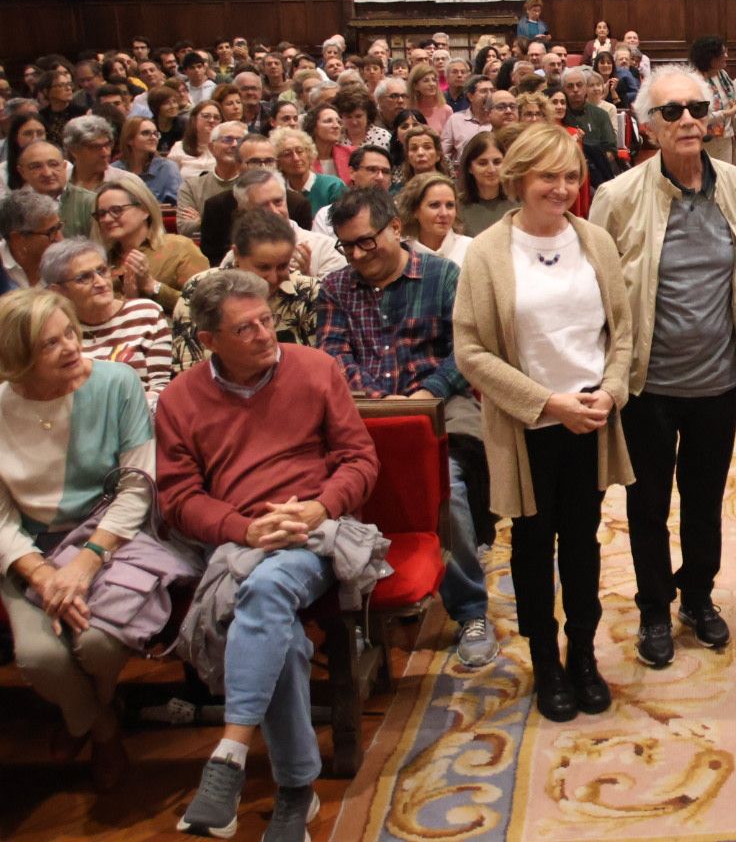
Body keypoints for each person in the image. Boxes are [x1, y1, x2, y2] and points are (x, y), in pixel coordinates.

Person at [156, 271, 380, 839]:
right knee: (275, 626)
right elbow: (178, 498)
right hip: (239, 541)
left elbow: (360, 460)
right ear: (209, 340)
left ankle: (230, 752)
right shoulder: (181, 398)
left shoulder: (314, 368)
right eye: (244, 328)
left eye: (265, 320)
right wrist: (244, 529)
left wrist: (320, 508)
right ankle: (295, 791)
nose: (263, 334)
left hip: (314, 533)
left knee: (269, 588)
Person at [453, 124, 633, 721]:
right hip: (528, 424)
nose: (561, 188)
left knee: (582, 543)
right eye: (547, 176)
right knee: (531, 547)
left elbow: (622, 333)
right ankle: (545, 662)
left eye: (570, 175)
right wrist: (546, 403)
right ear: (518, 179)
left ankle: (582, 654)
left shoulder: (596, 241)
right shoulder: (486, 253)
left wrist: (609, 391)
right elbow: (471, 350)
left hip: (589, 419)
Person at [588, 66, 736, 669]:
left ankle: (699, 596)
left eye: (696, 108)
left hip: (716, 381)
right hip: (647, 386)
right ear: (648, 126)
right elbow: (597, 291)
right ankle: (655, 606)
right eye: (671, 111)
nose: (687, 119)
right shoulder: (618, 196)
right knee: (648, 503)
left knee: (705, 499)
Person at [317, 187, 495, 668]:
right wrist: (373, 398)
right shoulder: (336, 288)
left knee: (447, 493)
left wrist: (424, 393)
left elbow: (468, 351)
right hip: (362, 411)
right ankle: (358, 613)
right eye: (347, 246)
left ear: (395, 228)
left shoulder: (442, 276)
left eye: (365, 242)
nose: (356, 255)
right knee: (334, 497)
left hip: (439, 405)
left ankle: (470, 609)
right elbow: (334, 356)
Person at [0, 289, 153, 790]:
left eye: (71, 332)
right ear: (18, 360)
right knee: (39, 658)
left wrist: (85, 563)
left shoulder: (116, 383)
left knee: (99, 643)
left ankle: (82, 717)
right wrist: (43, 574)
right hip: (31, 547)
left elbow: (137, 487)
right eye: (50, 345)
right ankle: (101, 726)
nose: (71, 348)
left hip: (109, 537)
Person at [172, 211, 321, 372]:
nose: (272, 278)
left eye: (282, 266)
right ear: (236, 255)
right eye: (263, 267)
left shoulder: (308, 291)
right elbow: (187, 371)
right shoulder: (201, 288)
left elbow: (316, 367)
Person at [41, 238, 172, 406]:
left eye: (102, 271)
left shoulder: (147, 313)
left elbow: (160, 389)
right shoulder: (56, 332)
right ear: (58, 291)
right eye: (84, 278)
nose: (101, 283)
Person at [93, 177, 206, 312]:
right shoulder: (99, 262)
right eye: (101, 214)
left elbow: (204, 307)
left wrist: (152, 286)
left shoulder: (180, 248)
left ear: (144, 210)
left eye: (116, 210)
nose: (107, 219)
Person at [176, 120, 248, 239]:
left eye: (240, 140)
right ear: (211, 147)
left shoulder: (254, 185)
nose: (235, 144)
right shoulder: (192, 186)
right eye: (227, 139)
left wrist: (201, 221)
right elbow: (184, 229)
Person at [16, 140, 96, 239]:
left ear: (64, 166)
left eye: (53, 164)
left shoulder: (90, 202)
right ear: (22, 172)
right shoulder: (15, 209)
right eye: (36, 167)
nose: (47, 173)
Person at [689, 35, 736, 166]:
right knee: (715, 176)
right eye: (722, 53)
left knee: (729, 174)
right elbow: (697, 116)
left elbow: (732, 94)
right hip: (708, 139)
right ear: (710, 58)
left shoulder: (721, 74)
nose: (726, 56)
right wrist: (728, 112)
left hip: (726, 134)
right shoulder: (694, 82)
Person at [397, 171, 471, 266]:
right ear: (414, 210)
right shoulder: (401, 251)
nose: (444, 213)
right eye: (434, 205)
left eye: (450, 205)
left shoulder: (470, 248)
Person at [270, 127, 346, 214]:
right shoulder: (278, 192)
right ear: (278, 161)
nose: (296, 158)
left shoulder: (333, 187)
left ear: (309, 153)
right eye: (287, 154)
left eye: (300, 151)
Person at [456, 130, 516, 237]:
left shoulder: (519, 202)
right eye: (482, 163)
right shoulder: (456, 207)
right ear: (469, 168)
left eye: (497, 162)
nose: (491, 169)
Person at [112, 115, 181, 204]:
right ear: (129, 139)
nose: (153, 138)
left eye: (156, 134)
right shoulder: (114, 170)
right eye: (146, 133)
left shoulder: (168, 168)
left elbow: (175, 206)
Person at [1, 190, 63, 288]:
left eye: (59, 227)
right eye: (51, 232)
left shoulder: (66, 264)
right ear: (18, 239)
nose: (60, 239)